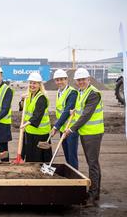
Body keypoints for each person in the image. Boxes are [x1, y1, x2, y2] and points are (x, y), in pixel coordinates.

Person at [63, 68, 104, 207]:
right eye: (79, 80)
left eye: (83, 80)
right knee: (92, 162)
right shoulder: (82, 92)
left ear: (89, 79)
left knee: (92, 163)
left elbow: (86, 114)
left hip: (93, 133)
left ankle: (93, 196)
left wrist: (71, 129)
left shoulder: (93, 93)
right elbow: (81, 110)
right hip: (85, 132)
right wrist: (74, 111)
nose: (81, 82)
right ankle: (95, 193)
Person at [20, 72, 52, 162]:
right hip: (30, 131)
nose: (32, 85)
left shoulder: (42, 98)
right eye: (31, 83)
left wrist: (25, 124)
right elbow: (23, 108)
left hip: (41, 133)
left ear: (39, 85)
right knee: (30, 156)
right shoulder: (29, 95)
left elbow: (37, 115)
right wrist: (22, 99)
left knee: (39, 158)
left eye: (34, 83)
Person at [49, 69, 79, 169]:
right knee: (67, 155)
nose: (59, 82)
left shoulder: (72, 93)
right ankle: (70, 175)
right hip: (63, 129)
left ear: (66, 80)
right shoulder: (59, 92)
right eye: (57, 80)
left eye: (61, 79)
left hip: (71, 129)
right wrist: (59, 127)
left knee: (72, 156)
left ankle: (75, 179)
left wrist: (56, 127)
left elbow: (67, 111)